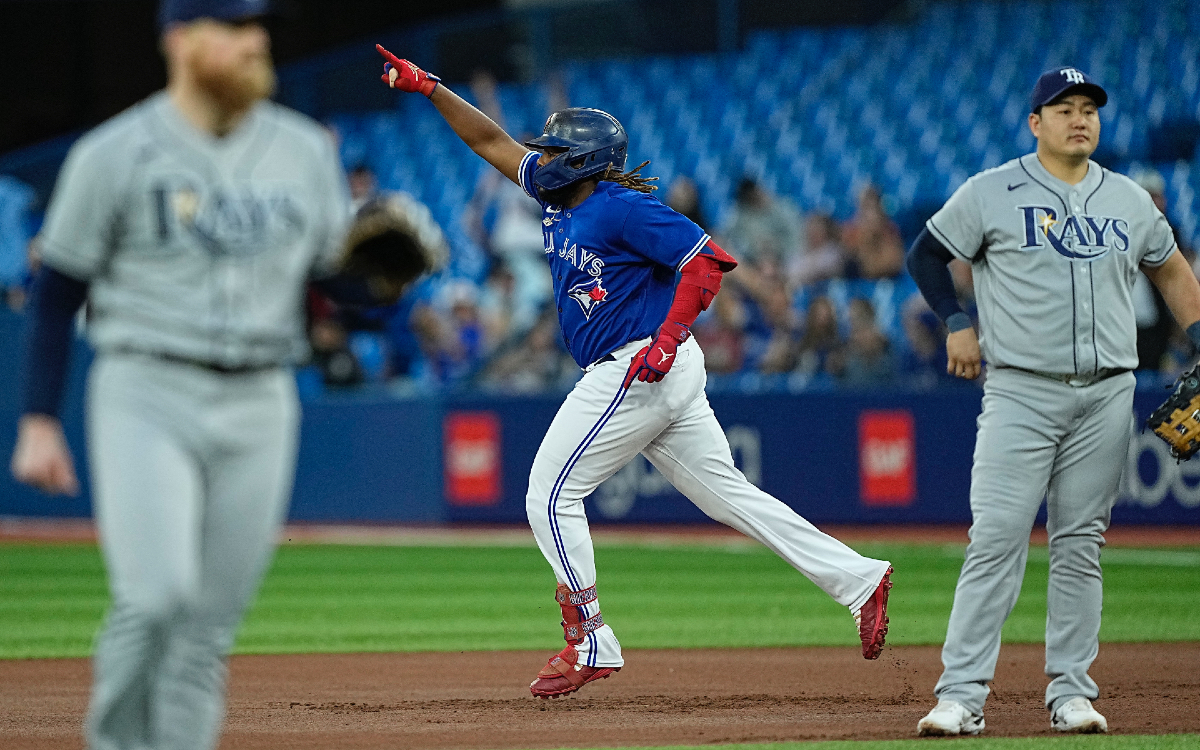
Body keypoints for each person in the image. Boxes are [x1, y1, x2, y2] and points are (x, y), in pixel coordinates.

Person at [377, 45, 895, 697]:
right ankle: (859, 579)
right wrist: (430, 89)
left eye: (560, 151)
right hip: (644, 366)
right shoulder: (549, 185)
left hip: (639, 364)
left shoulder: (620, 207)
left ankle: (591, 638)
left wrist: (670, 340)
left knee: (549, 494)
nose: (544, 158)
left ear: (589, 161)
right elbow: (488, 139)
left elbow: (708, 262)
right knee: (728, 495)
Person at [8, 5, 423, 749]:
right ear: (180, 40)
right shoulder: (114, 152)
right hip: (146, 386)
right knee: (158, 595)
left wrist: (383, 280)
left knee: (207, 627)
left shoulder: (302, 150)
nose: (253, 41)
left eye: (256, 26)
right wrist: (39, 419)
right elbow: (59, 289)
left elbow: (331, 277)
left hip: (263, 395)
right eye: (230, 26)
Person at [905, 66, 1200, 736]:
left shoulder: (1129, 199)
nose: (1079, 118)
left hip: (1107, 392)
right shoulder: (992, 191)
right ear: (1036, 123)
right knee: (998, 539)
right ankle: (960, 696)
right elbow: (926, 255)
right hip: (1020, 390)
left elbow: (1173, 269)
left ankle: (1071, 693)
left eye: (1088, 108)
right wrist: (956, 321)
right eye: (1063, 108)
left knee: (1080, 544)